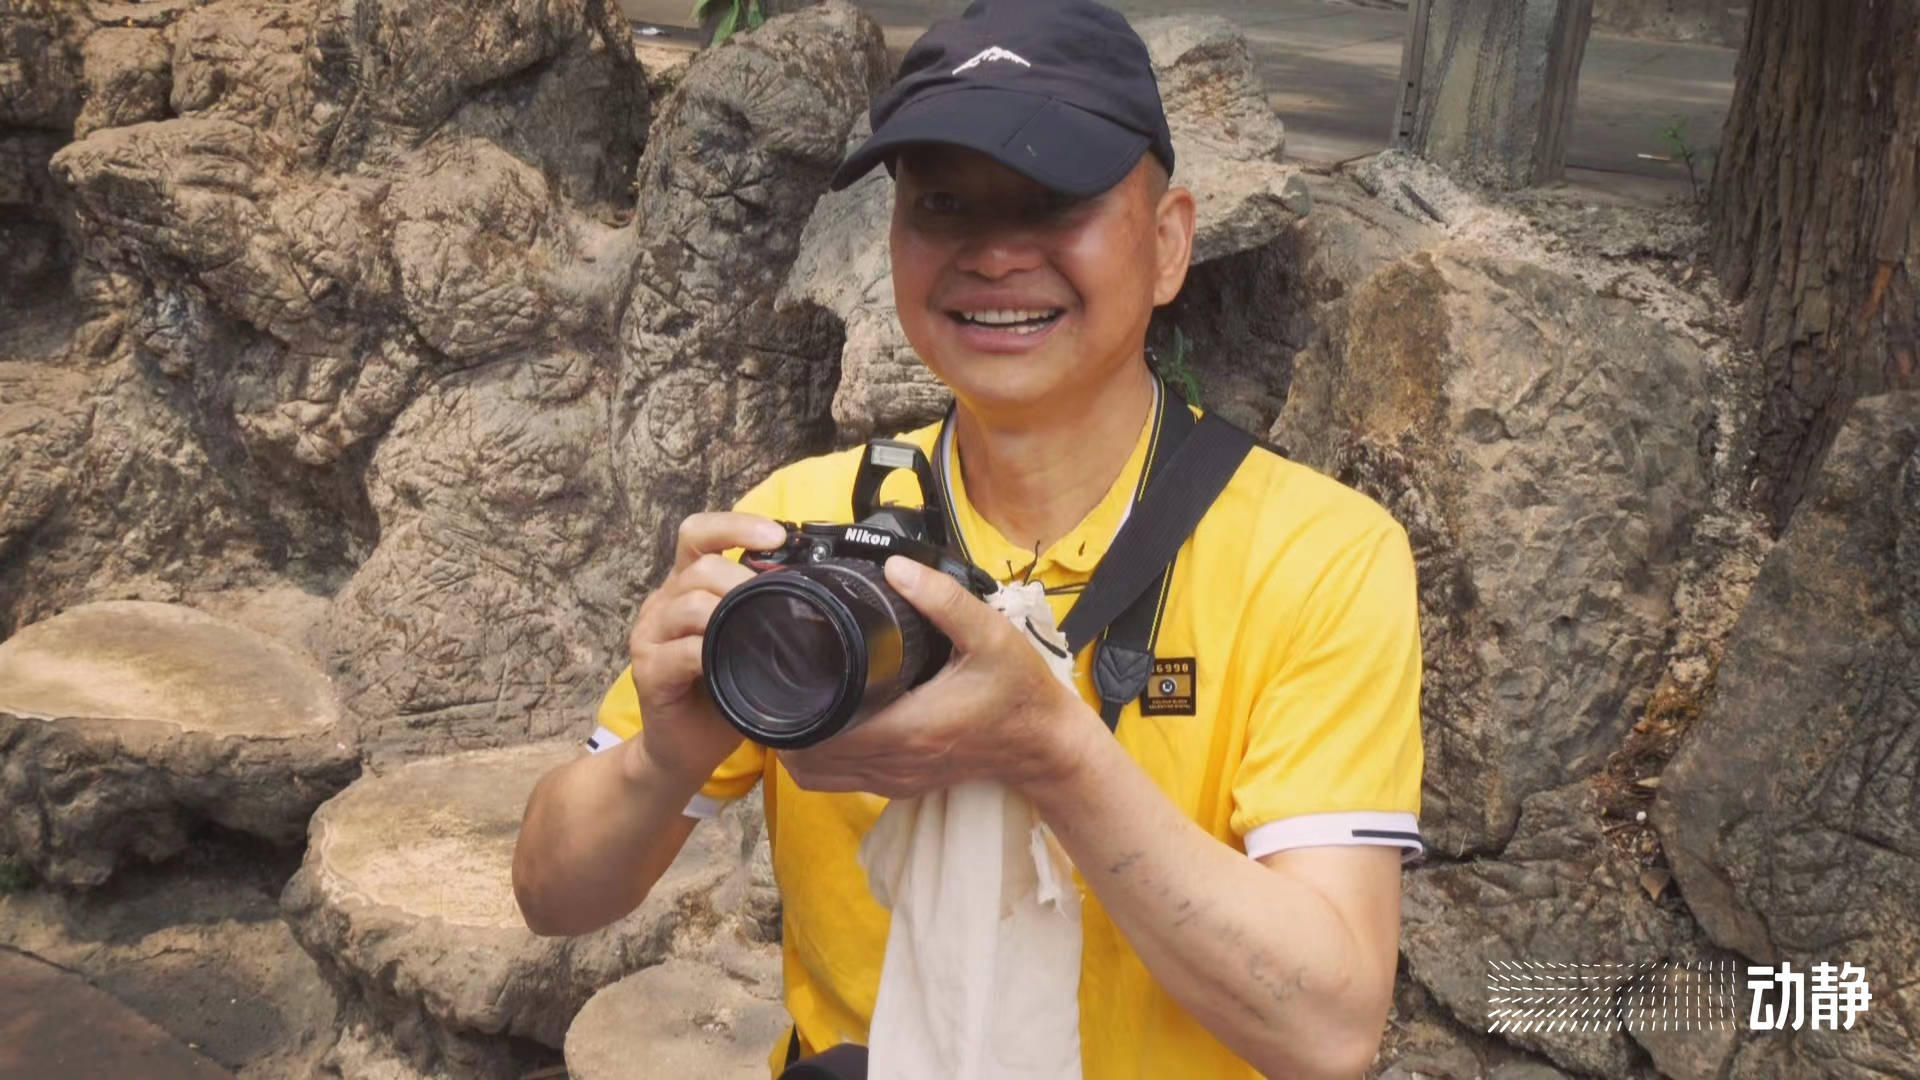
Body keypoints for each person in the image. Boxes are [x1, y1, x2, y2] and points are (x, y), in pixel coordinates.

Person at [512, 2, 1424, 1077]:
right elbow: (555, 899)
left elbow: (1327, 1029)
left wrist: (1051, 752)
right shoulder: (802, 531)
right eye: (944, 205)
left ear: (1169, 242)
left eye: (1054, 202)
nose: (994, 255)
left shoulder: (1315, 556)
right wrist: (664, 756)